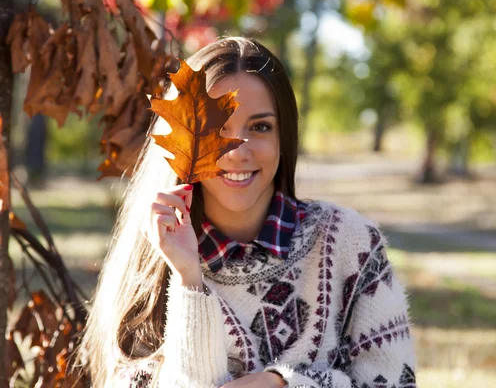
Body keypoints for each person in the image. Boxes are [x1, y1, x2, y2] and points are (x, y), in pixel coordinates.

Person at [79, 37, 416, 388]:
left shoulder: (354, 245)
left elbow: (394, 383)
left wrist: (284, 384)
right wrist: (189, 280)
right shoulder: (149, 267)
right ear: (182, 142)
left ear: (284, 137)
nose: (238, 151)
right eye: (216, 129)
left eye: (260, 127)